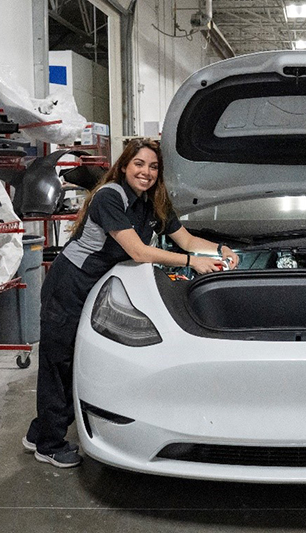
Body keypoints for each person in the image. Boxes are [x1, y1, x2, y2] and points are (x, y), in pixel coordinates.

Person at [23, 138, 239, 468]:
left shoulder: (152, 203)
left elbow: (188, 239)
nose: (146, 172)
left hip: (96, 282)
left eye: (153, 167)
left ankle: (39, 432)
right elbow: (138, 251)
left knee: (71, 358)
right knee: (60, 362)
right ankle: (49, 444)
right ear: (124, 166)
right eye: (139, 164)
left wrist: (220, 250)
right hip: (70, 283)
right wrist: (191, 262)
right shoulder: (110, 196)